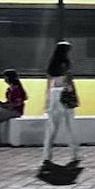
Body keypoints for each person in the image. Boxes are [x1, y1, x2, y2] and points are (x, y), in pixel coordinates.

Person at [41, 41, 80, 169]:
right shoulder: (66, 63)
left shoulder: (51, 64)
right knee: (70, 126)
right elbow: (69, 82)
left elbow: (49, 83)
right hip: (64, 94)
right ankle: (74, 154)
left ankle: (47, 155)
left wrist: (47, 101)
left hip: (53, 95)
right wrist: (75, 96)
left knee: (51, 127)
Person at [0, 69, 26, 146]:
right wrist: (1, 104)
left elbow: (17, 103)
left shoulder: (16, 89)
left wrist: (2, 105)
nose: (4, 79)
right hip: (11, 110)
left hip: (15, 111)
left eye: (5, 77)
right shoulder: (11, 88)